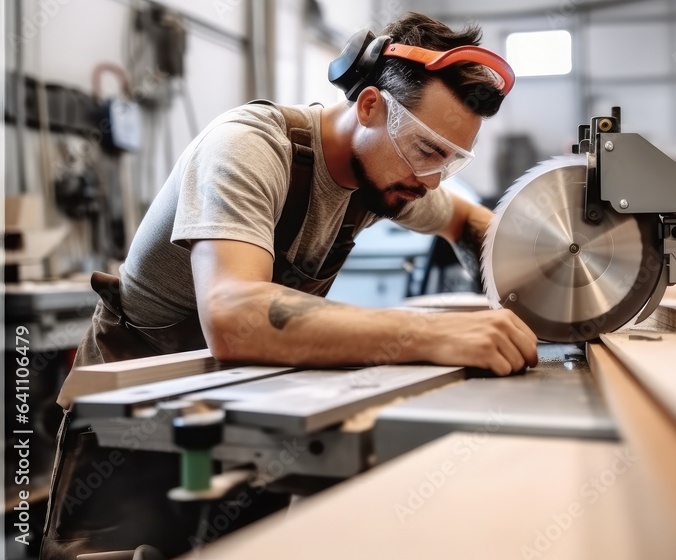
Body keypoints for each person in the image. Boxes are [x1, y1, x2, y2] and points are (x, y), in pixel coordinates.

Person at [42, 12, 537, 559]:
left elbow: (469, 223)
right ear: (370, 106)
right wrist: (437, 334)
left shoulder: (387, 175)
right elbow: (235, 316)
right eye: (427, 151)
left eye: (451, 159)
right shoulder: (252, 146)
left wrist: (526, 288)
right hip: (137, 413)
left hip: (245, 403)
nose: (432, 180)